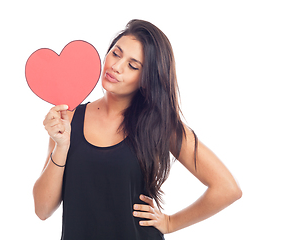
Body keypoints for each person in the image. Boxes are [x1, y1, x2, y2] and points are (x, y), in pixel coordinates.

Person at [33, 19, 242, 240]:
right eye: (116, 53)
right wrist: (62, 145)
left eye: (133, 66)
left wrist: (171, 223)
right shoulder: (69, 119)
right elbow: (42, 209)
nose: (116, 66)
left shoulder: (160, 125)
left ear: (146, 79)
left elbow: (227, 188)